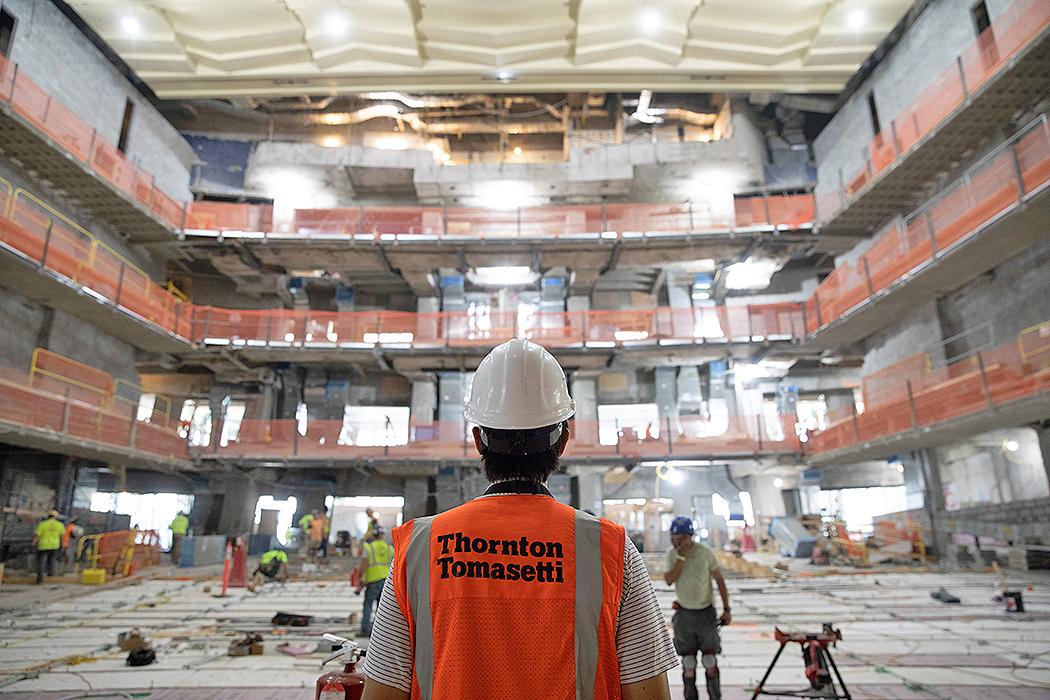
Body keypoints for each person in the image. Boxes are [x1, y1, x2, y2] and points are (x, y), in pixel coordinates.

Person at [362, 339, 676, 700]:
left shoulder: (419, 548)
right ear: (562, 442)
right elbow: (649, 693)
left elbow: (382, 692)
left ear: (478, 440)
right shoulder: (612, 551)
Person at [664, 517, 731, 700]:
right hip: (684, 614)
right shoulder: (672, 554)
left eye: (680, 537)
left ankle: (715, 697)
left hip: (705, 614)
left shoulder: (704, 552)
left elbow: (719, 579)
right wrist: (680, 557)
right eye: (673, 537)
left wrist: (727, 609)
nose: (676, 541)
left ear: (689, 536)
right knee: (688, 663)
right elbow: (669, 580)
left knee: (710, 661)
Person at [354, 525, 392, 637]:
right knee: (383, 608)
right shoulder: (389, 548)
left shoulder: (369, 548)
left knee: (368, 605)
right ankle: (381, 631)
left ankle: (365, 629)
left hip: (373, 580)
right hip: (387, 581)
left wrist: (362, 578)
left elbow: (364, 563)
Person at [33, 511, 66, 584]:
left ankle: (40, 580)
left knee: (42, 563)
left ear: (48, 516)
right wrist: (63, 545)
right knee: (52, 561)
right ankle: (51, 576)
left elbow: (37, 535)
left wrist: (33, 543)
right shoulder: (60, 525)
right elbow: (62, 536)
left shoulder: (42, 524)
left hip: (43, 545)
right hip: (54, 545)